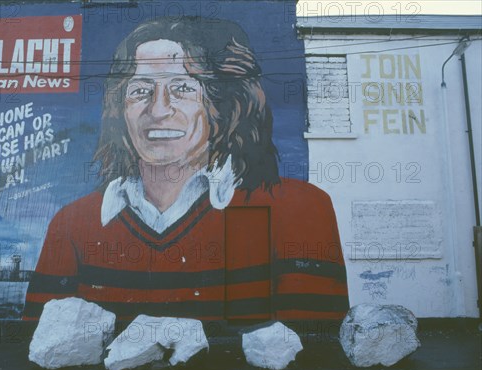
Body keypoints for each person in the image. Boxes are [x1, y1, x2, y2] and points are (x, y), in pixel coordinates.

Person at [23, 17, 349, 321]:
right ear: (120, 109)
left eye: (182, 88)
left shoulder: (296, 210)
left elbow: (312, 352)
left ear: (222, 105)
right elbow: (39, 349)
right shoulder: (72, 225)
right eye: (140, 91)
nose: (159, 109)